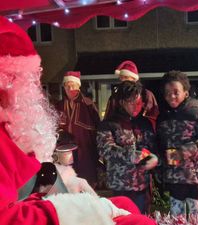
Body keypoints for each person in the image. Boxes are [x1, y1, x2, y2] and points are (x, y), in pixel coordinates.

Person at [0, 16, 157, 225]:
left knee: (128, 207)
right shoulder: (61, 109)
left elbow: (26, 177)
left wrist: (63, 181)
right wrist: (78, 209)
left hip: (97, 162)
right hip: (106, 171)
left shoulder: (87, 105)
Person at [156, 71, 198, 217]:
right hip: (174, 177)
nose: (171, 96)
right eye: (167, 93)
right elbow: (160, 145)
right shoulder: (163, 117)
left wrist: (184, 151)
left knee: (196, 218)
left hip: (195, 178)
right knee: (176, 218)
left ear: (185, 92)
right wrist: (160, 169)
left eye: (175, 92)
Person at [97, 81, 158, 214]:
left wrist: (154, 158)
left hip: (142, 185)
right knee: (123, 219)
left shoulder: (145, 123)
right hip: (121, 185)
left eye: (139, 102)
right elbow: (105, 149)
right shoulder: (109, 124)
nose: (136, 106)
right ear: (122, 102)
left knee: (141, 219)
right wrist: (132, 155)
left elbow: (153, 146)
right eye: (131, 102)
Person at [56, 71, 100, 187]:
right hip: (66, 155)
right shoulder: (59, 106)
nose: (70, 88)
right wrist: (61, 134)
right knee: (69, 184)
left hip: (86, 153)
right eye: (67, 85)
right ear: (64, 87)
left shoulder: (88, 104)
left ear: (78, 87)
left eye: (73, 85)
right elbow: (54, 127)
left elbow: (99, 128)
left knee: (87, 184)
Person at [104, 60, 159, 128]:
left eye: (126, 77)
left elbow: (154, 117)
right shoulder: (115, 97)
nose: (123, 80)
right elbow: (108, 118)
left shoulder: (146, 94)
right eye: (121, 78)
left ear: (134, 79)